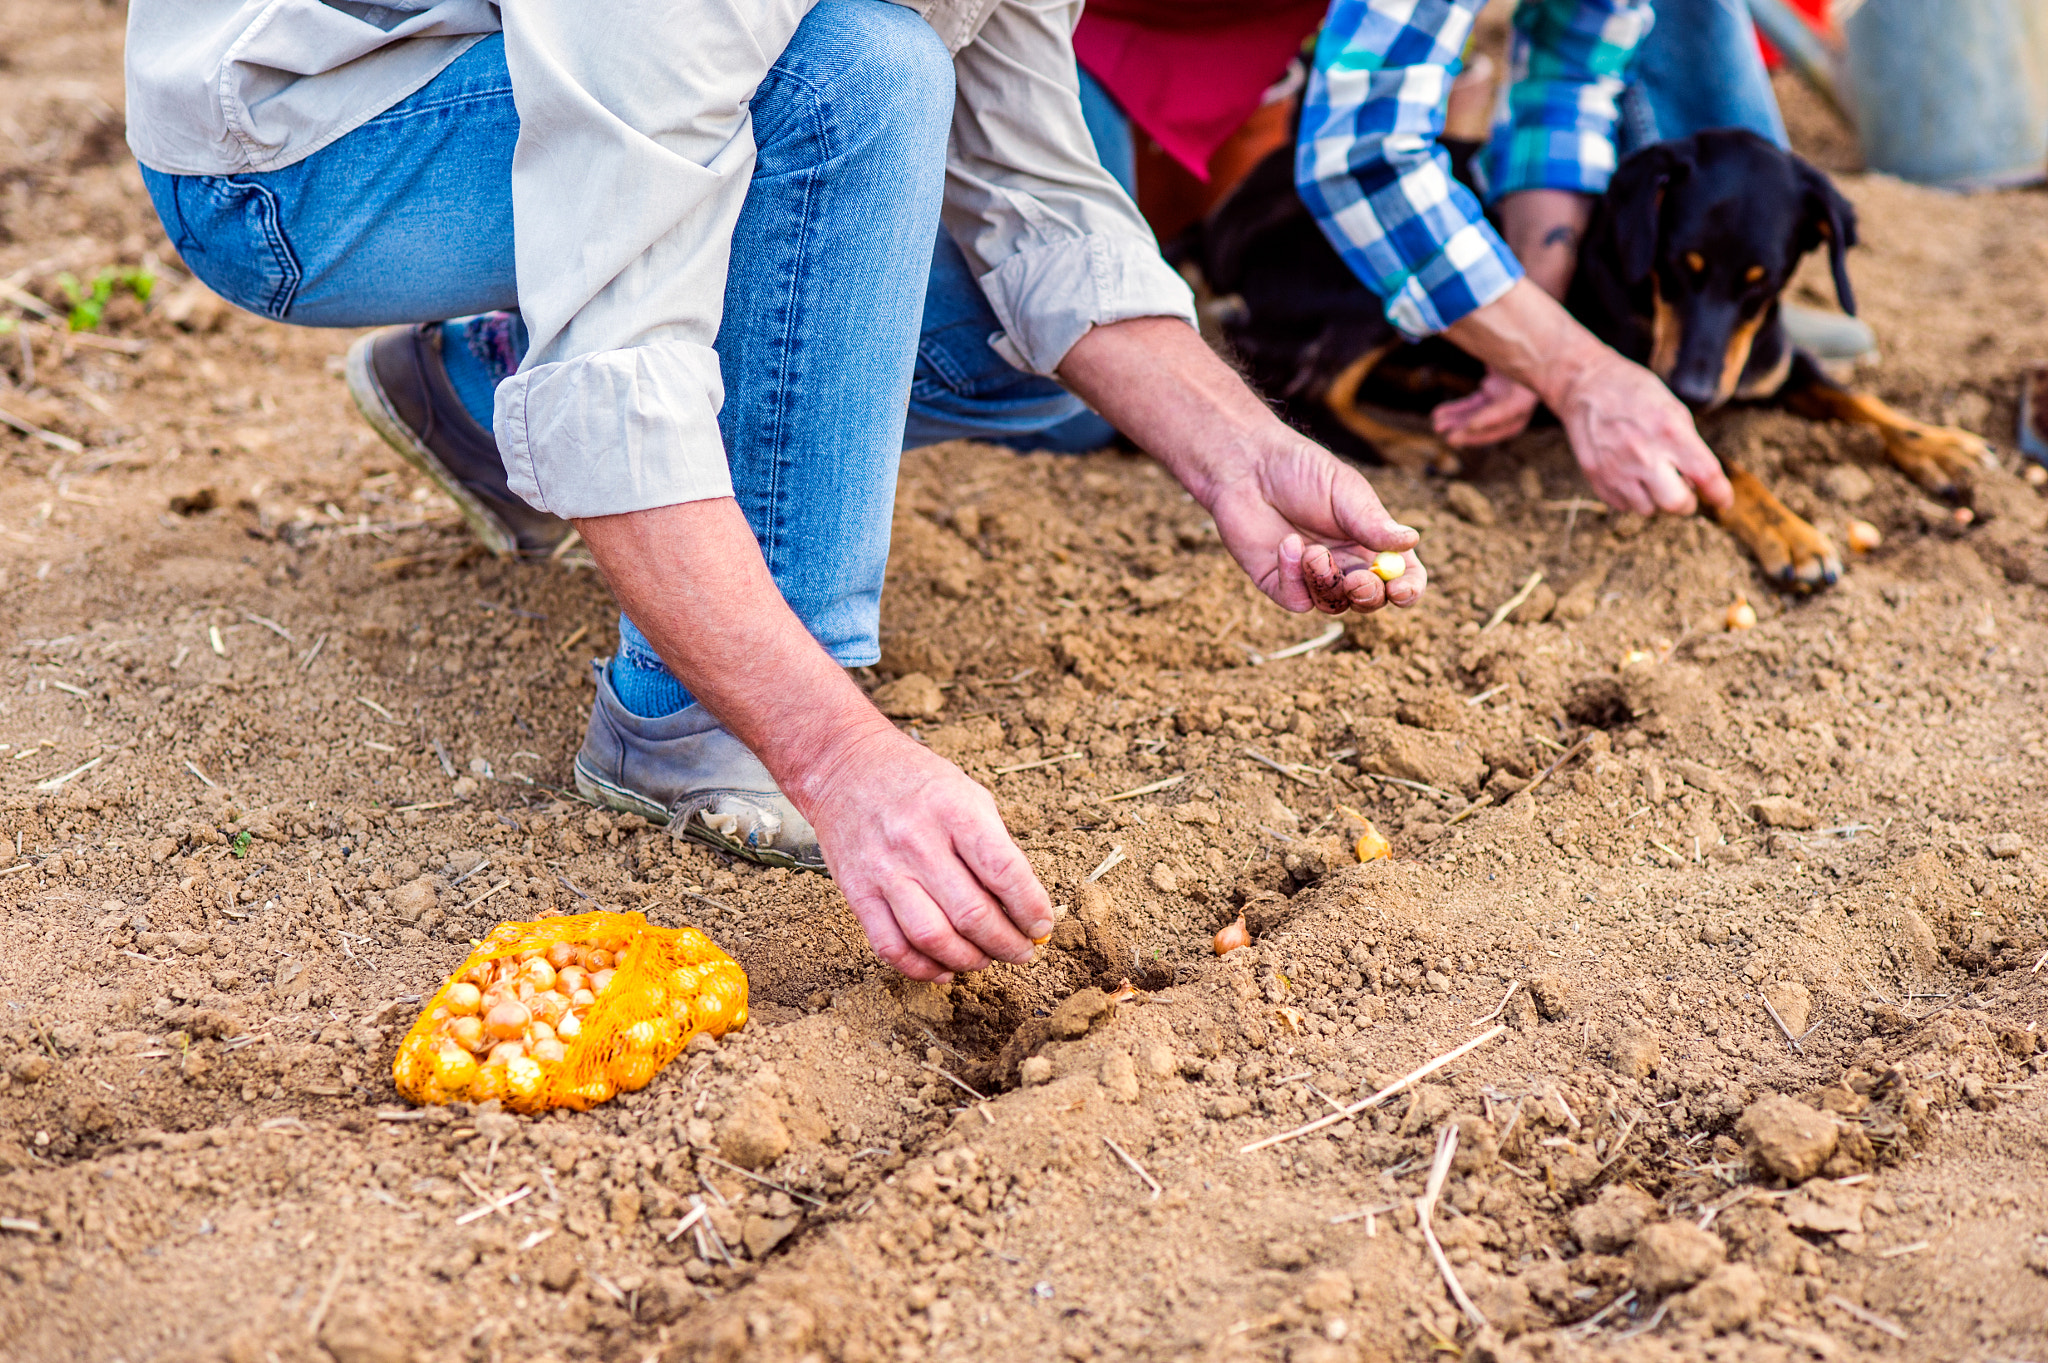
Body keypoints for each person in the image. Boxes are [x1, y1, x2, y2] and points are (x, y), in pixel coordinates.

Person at [120, 0, 1695, 986]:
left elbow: (1041, 199)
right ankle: (695, 725)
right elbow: (620, 361)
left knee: (997, 327)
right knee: (850, 81)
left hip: (526, 76)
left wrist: (1236, 452)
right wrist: (845, 759)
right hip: (293, 143)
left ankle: (467, 399)